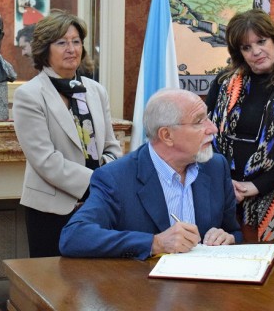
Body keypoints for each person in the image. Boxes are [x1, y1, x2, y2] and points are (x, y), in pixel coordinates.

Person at [60, 88, 243, 260]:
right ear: (167, 136)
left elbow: (233, 232)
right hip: (143, 288)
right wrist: (155, 243)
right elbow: (74, 236)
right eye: (198, 121)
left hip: (205, 287)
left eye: (208, 118)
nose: (213, 129)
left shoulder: (216, 167)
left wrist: (227, 238)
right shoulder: (116, 177)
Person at [12, 11, 122, 257]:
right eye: (62, 42)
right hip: (52, 210)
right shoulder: (29, 95)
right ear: (44, 49)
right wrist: (94, 184)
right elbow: (45, 160)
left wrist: (103, 186)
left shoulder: (95, 90)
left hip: (98, 206)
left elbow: (112, 147)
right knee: (53, 286)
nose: (71, 48)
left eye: (76, 41)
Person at [206, 9, 274, 242]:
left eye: (261, 41)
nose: (256, 51)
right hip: (224, 194)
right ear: (239, 52)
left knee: (271, 270)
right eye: (246, 47)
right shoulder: (223, 82)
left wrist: (257, 185)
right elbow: (206, 133)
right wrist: (227, 183)